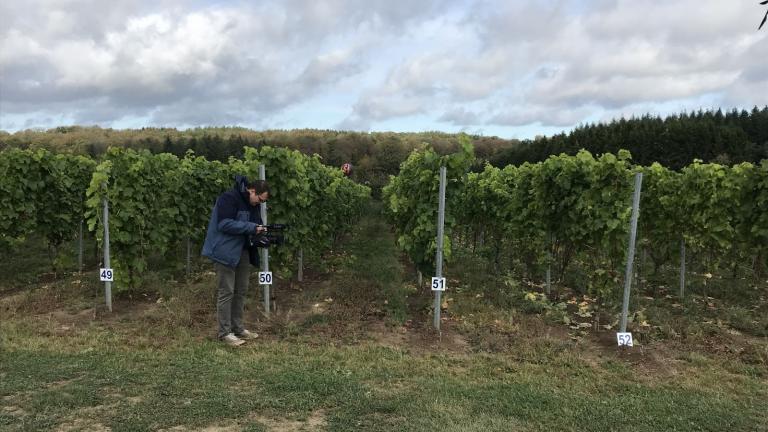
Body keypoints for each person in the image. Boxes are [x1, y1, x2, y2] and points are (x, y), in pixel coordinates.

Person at [202, 175, 270, 347]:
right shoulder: (229, 198)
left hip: (243, 251)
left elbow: (255, 226)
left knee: (241, 290)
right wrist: (251, 228)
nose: (259, 204)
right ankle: (224, 333)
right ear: (252, 191)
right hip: (224, 251)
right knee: (227, 291)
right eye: (259, 200)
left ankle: (238, 328)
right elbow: (224, 224)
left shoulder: (253, 205)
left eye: (263, 202)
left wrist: (262, 235)